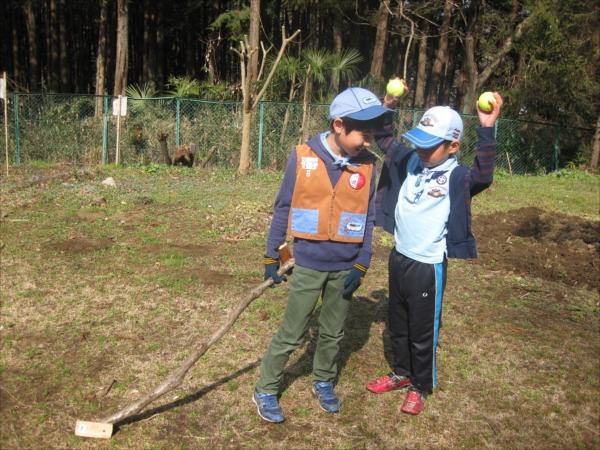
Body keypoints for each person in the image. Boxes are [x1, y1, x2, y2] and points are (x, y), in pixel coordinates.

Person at [253, 87, 392, 423]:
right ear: (339, 124)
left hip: (345, 267)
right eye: (364, 134)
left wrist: (362, 262)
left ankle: (324, 380)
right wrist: (273, 255)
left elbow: (369, 218)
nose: (369, 142)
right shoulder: (302, 157)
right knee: (293, 331)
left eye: (373, 135)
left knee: (333, 331)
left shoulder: (368, 165)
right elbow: (283, 207)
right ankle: (266, 388)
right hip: (308, 264)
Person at [366, 81, 503, 415]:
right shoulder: (411, 159)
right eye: (420, 142)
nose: (422, 151)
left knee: (422, 331)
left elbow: (484, 175)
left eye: (431, 146)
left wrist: (487, 128)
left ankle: (420, 385)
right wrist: (388, 105)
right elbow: (384, 140)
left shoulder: (457, 177)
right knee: (397, 323)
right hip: (400, 257)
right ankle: (400, 372)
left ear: (453, 145)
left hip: (428, 266)